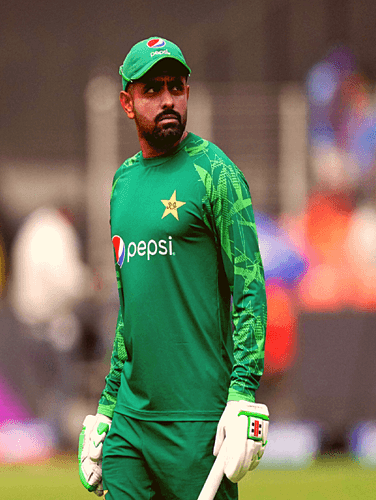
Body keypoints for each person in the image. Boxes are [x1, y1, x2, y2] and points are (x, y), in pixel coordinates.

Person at [78, 37, 269, 500]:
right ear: (127, 103)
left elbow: (250, 289)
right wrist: (107, 407)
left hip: (198, 421)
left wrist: (242, 392)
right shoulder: (122, 183)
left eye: (176, 87)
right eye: (151, 90)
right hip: (131, 423)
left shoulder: (216, 173)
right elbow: (130, 310)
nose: (167, 99)